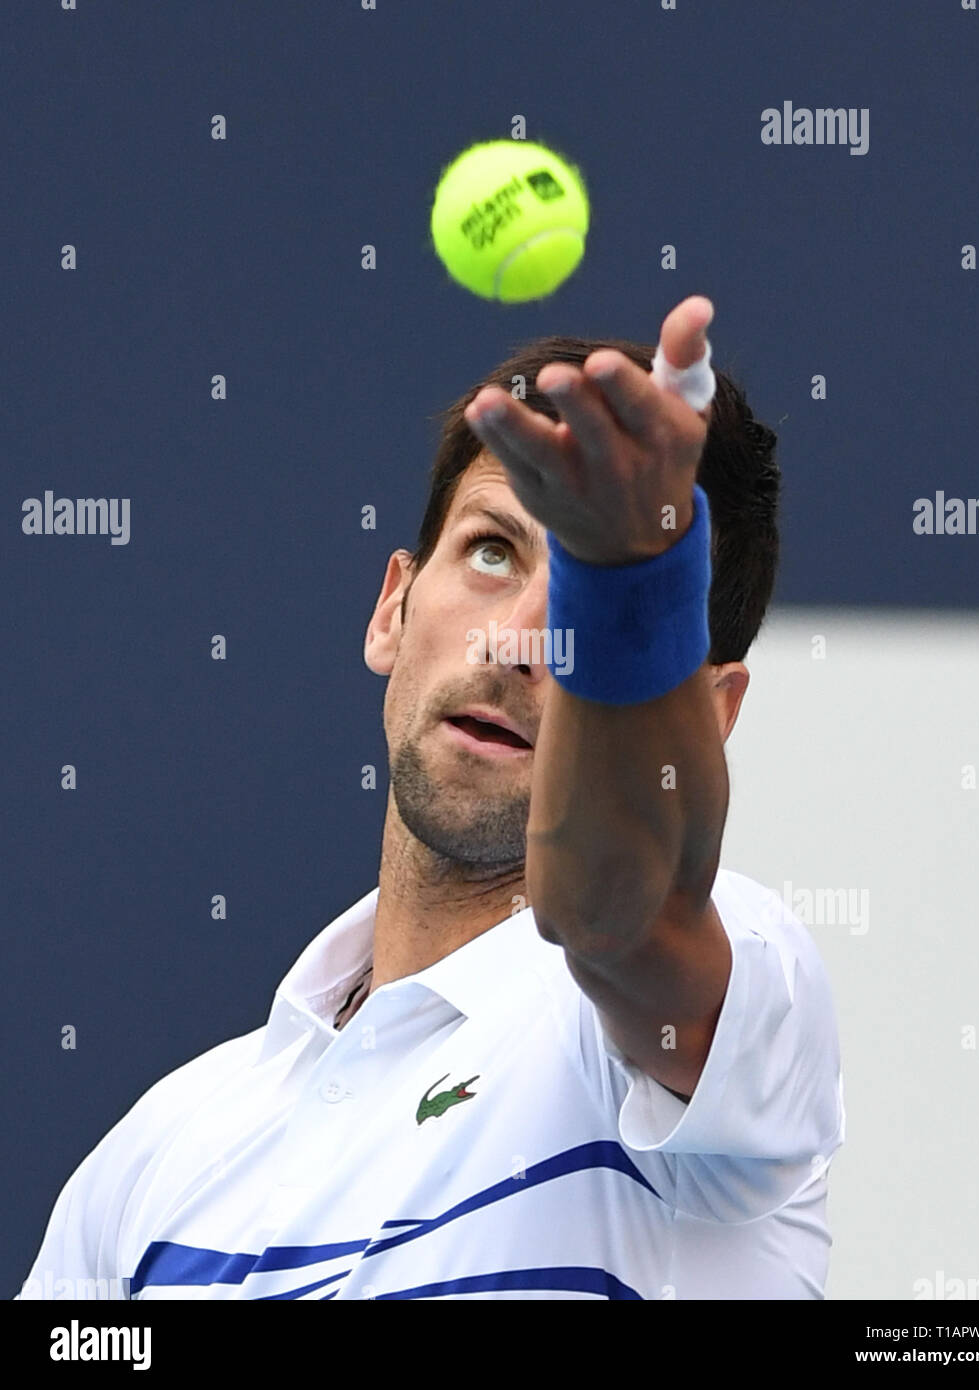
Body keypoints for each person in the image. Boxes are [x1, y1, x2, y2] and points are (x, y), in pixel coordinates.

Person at [17, 295, 844, 1301]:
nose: (516, 642)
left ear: (709, 716)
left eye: (585, 597)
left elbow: (615, 915)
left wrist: (634, 575)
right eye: (493, 551)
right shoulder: (148, 1164)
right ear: (391, 608)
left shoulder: (721, 991)